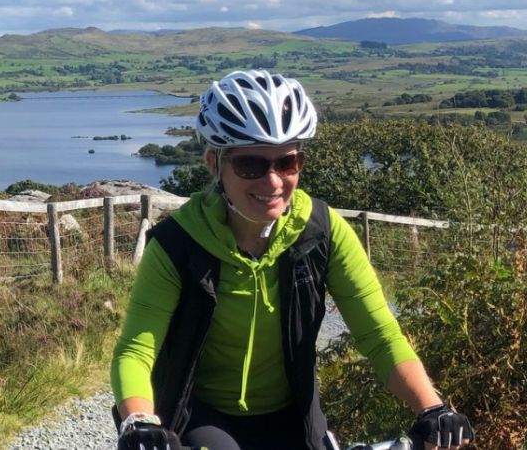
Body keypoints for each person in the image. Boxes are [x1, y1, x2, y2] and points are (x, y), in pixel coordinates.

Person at [111, 70, 473, 450]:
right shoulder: (176, 244)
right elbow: (136, 349)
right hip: (203, 414)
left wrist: (432, 408)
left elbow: (380, 336)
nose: (272, 182)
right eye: (251, 165)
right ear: (214, 164)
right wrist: (137, 420)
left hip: (293, 414)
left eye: (287, 163)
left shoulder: (322, 232)